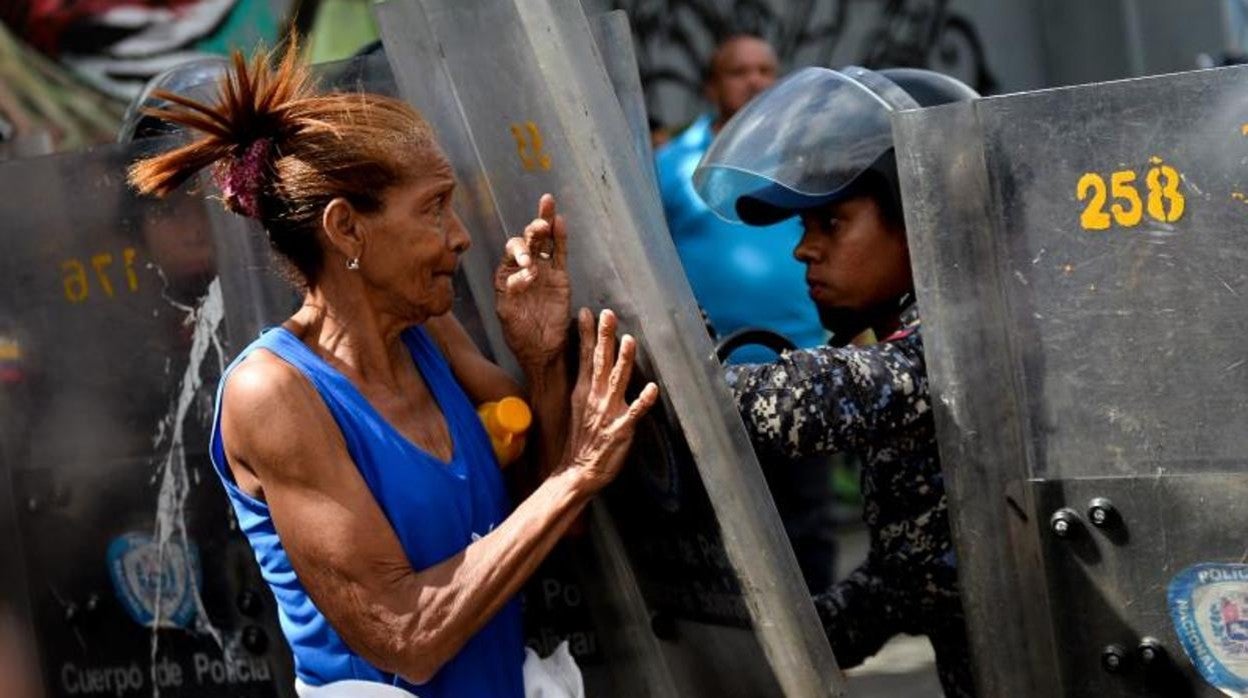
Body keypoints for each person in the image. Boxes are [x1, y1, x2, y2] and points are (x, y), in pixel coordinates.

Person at [127, 42, 659, 698]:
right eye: (434, 207)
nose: (460, 235)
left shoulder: (429, 331)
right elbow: (407, 637)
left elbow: (548, 522)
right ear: (347, 229)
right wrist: (578, 472)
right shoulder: (271, 392)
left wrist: (542, 361)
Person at [694, 65, 981, 697]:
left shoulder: (967, 343)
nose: (804, 249)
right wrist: (767, 644)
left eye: (831, 224)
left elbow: (790, 405)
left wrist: (662, 364)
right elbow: (906, 579)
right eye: (804, 227)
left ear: (922, 217)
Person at [654, 34, 825, 364]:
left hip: (807, 362)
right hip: (706, 366)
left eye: (765, 71)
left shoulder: (806, 160)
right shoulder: (670, 164)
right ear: (711, 87)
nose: (755, 81)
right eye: (738, 72)